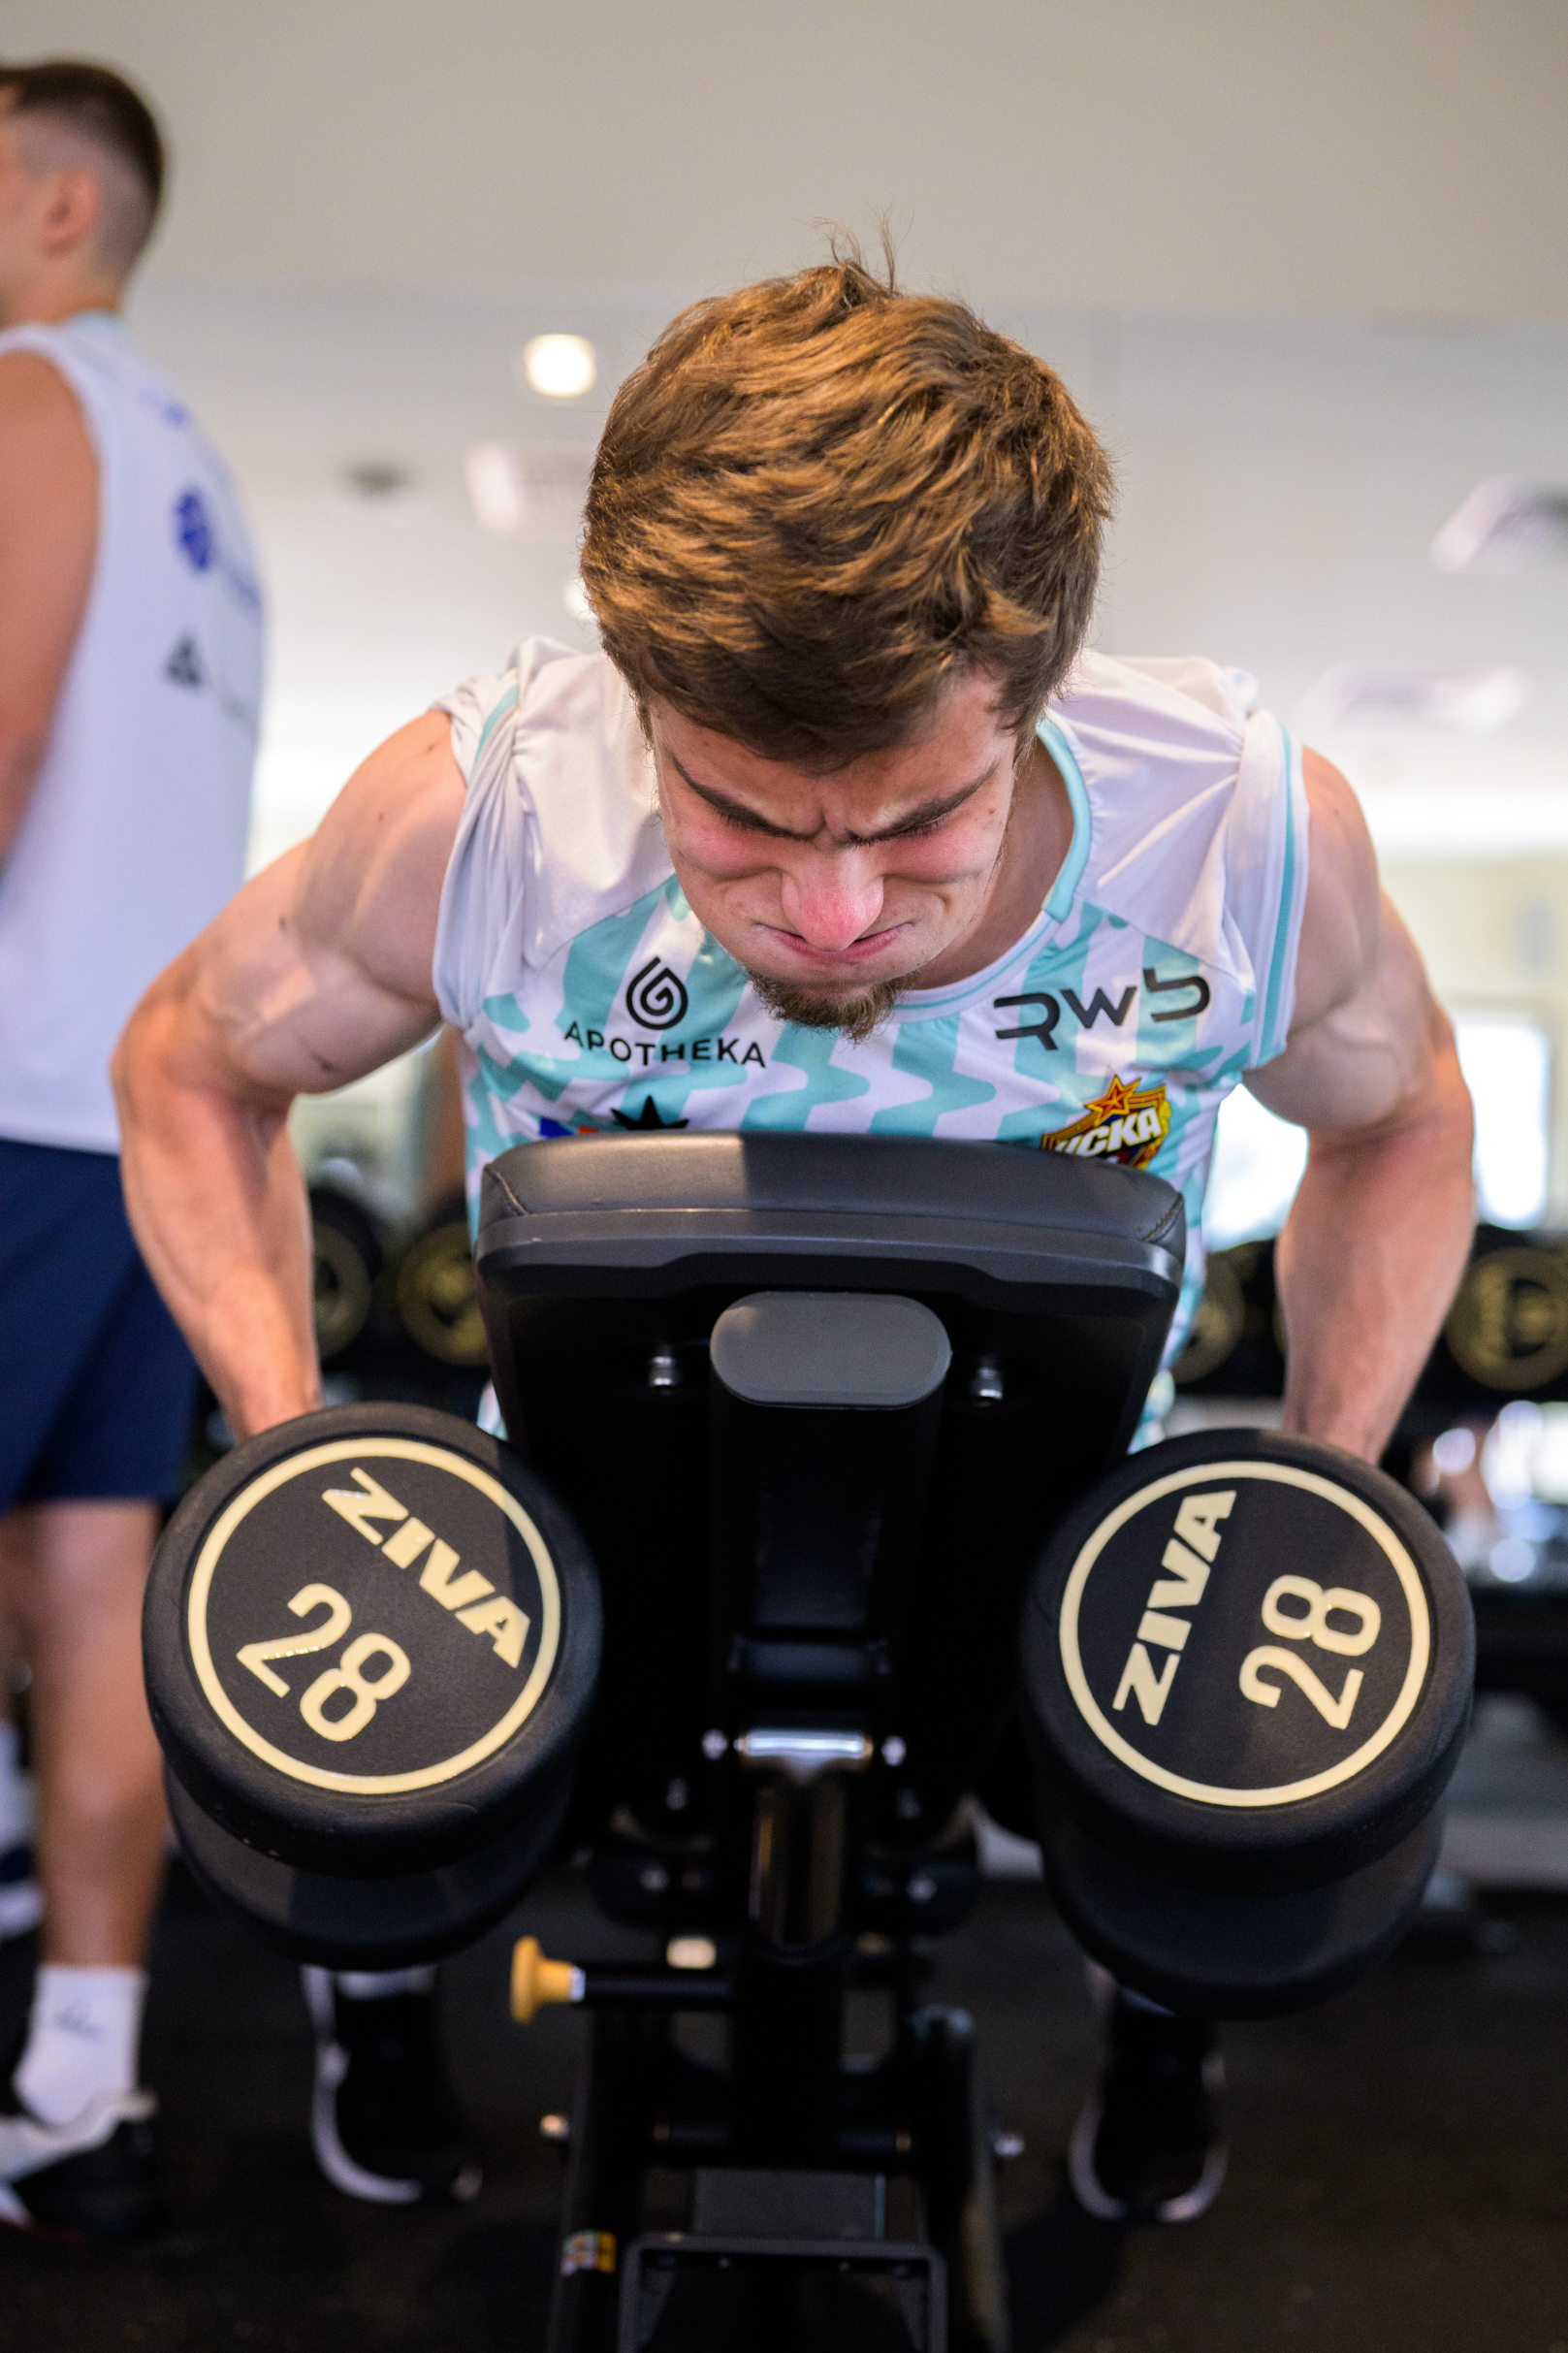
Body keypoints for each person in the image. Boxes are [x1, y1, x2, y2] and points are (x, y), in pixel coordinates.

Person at [113, 252, 1475, 2227]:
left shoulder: (1233, 840)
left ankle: (1155, 2035)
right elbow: (188, 1062)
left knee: (1190, 1796)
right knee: (387, 1770)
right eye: (741, 819)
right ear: (639, 701)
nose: (831, 917)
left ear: (1037, 700)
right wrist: (284, 1443)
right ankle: (382, 2015)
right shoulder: (490, 817)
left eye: (917, 823)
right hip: (593, 1507)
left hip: (1046, 1516)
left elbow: (1405, 1115)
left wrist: (1320, 1480)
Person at [0, 61, 263, 2240]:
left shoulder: (28, 396)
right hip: (136, 1133)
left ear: (60, 204)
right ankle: (83, 2087)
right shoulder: (206, 483)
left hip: (6, 1102)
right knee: (95, 1584)